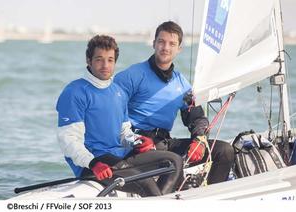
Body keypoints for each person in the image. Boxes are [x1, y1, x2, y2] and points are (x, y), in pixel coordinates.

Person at [56, 35, 183, 197]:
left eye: (110, 60)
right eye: (99, 59)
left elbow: (124, 132)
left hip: (120, 156)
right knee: (145, 183)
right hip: (95, 162)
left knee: (174, 162)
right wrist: (93, 163)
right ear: (88, 61)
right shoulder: (75, 92)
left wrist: (137, 140)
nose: (105, 65)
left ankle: (159, 203)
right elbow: (68, 140)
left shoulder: (117, 91)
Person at [114, 21, 235, 185]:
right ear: (154, 44)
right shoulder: (133, 75)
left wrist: (199, 139)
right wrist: (133, 139)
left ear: (179, 49)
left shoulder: (182, 84)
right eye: (161, 42)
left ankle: (207, 199)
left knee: (224, 151)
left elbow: (196, 117)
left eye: (172, 43)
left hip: (163, 144)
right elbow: (110, 108)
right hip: (137, 146)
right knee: (173, 162)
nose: (166, 47)